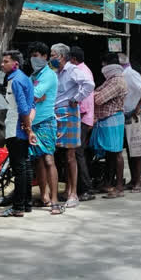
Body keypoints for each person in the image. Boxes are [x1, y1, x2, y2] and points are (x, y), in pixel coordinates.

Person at [50, 43, 94, 208]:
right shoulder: (56, 73)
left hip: (69, 113)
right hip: (56, 114)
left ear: (61, 56)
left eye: (53, 55)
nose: (51, 58)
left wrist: (77, 98)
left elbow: (89, 85)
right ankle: (66, 189)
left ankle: (73, 193)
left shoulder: (73, 70)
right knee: (59, 156)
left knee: (70, 155)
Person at [0, 50, 37, 217]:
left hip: (16, 129)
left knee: (19, 168)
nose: (2, 64)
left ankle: (18, 206)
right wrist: (29, 127)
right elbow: (32, 106)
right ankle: (26, 204)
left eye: (6, 61)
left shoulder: (15, 81)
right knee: (25, 166)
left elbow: (23, 107)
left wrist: (28, 130)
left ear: (15, 64)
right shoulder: (25, 78)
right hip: (21, 127)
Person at [27, 42, 59, 213]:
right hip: (33, 122)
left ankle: (54, 201)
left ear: (46, 57)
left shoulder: (49, 75)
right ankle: (43, 196)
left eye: (38, 55)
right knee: (38, 160)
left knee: (48, 159)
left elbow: (34, 94)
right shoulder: (34, 75)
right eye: (32, 55)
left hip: (46, 121)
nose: (35, 58)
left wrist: (31, 95)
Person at [92, 54, 127, 198]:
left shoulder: (117, 81)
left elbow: (98, 99)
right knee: (110, 154)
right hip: (108, 119)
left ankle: (119, 186)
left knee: (116, 153)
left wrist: (94, 94)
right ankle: (108, 183)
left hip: (113, 119)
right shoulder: (112, 80)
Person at [119, 53, 141, 192]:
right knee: (131, 150)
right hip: (127, 113)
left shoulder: (129, 73)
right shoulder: (124, 74)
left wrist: (138, 105)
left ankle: (137, 182)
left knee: (136, 149)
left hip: (135, 113)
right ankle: (134, 180)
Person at [69, 46, 96, 201]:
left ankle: (85, 189)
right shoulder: (84, 70)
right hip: (84, 117)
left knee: (77, 154)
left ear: (73, 59)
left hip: (81, 117)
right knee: (78, 153)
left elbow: (84, 100)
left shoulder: (81, 72)